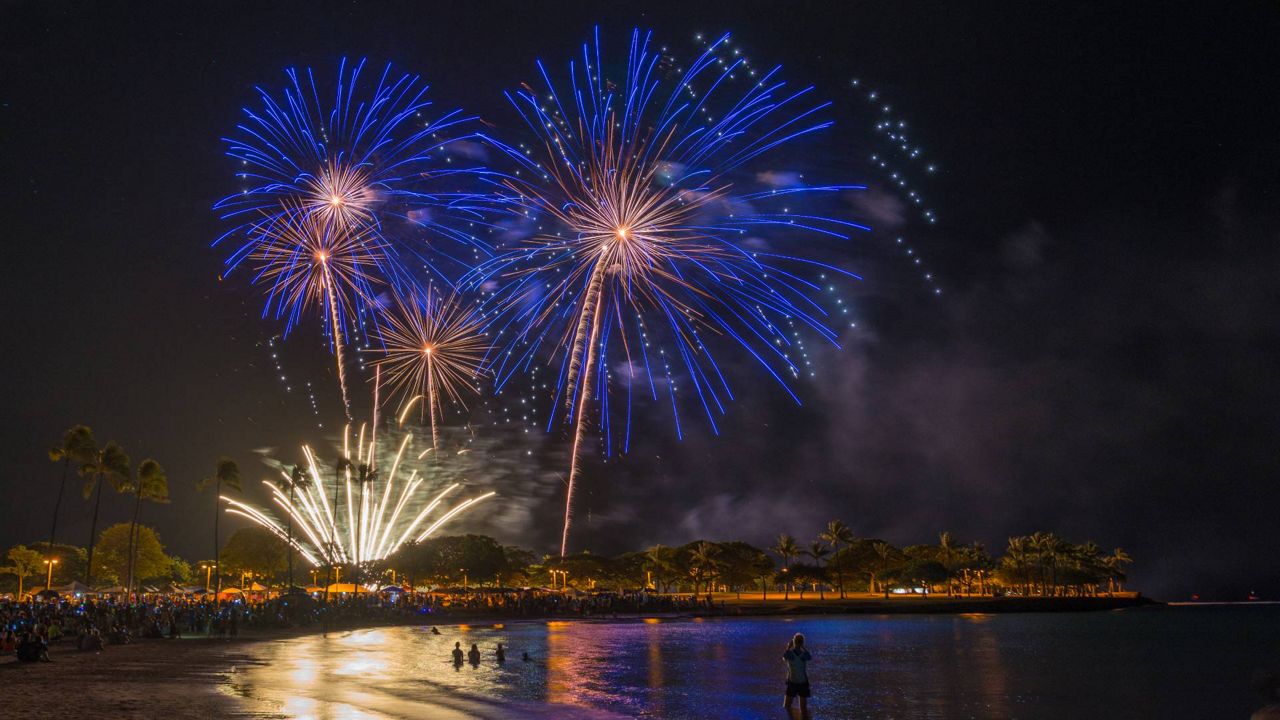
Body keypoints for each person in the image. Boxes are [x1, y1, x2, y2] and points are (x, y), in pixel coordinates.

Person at [783, 632, 813, 717]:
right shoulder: (804, 655)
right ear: (802, 642)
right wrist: (803, 647)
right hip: (803, 682)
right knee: (803, 708)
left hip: (792, 681)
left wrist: (788, 647)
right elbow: (809, 657)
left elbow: (784, 657)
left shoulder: (789, 653)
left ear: (794, 642)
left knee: (787, 706)